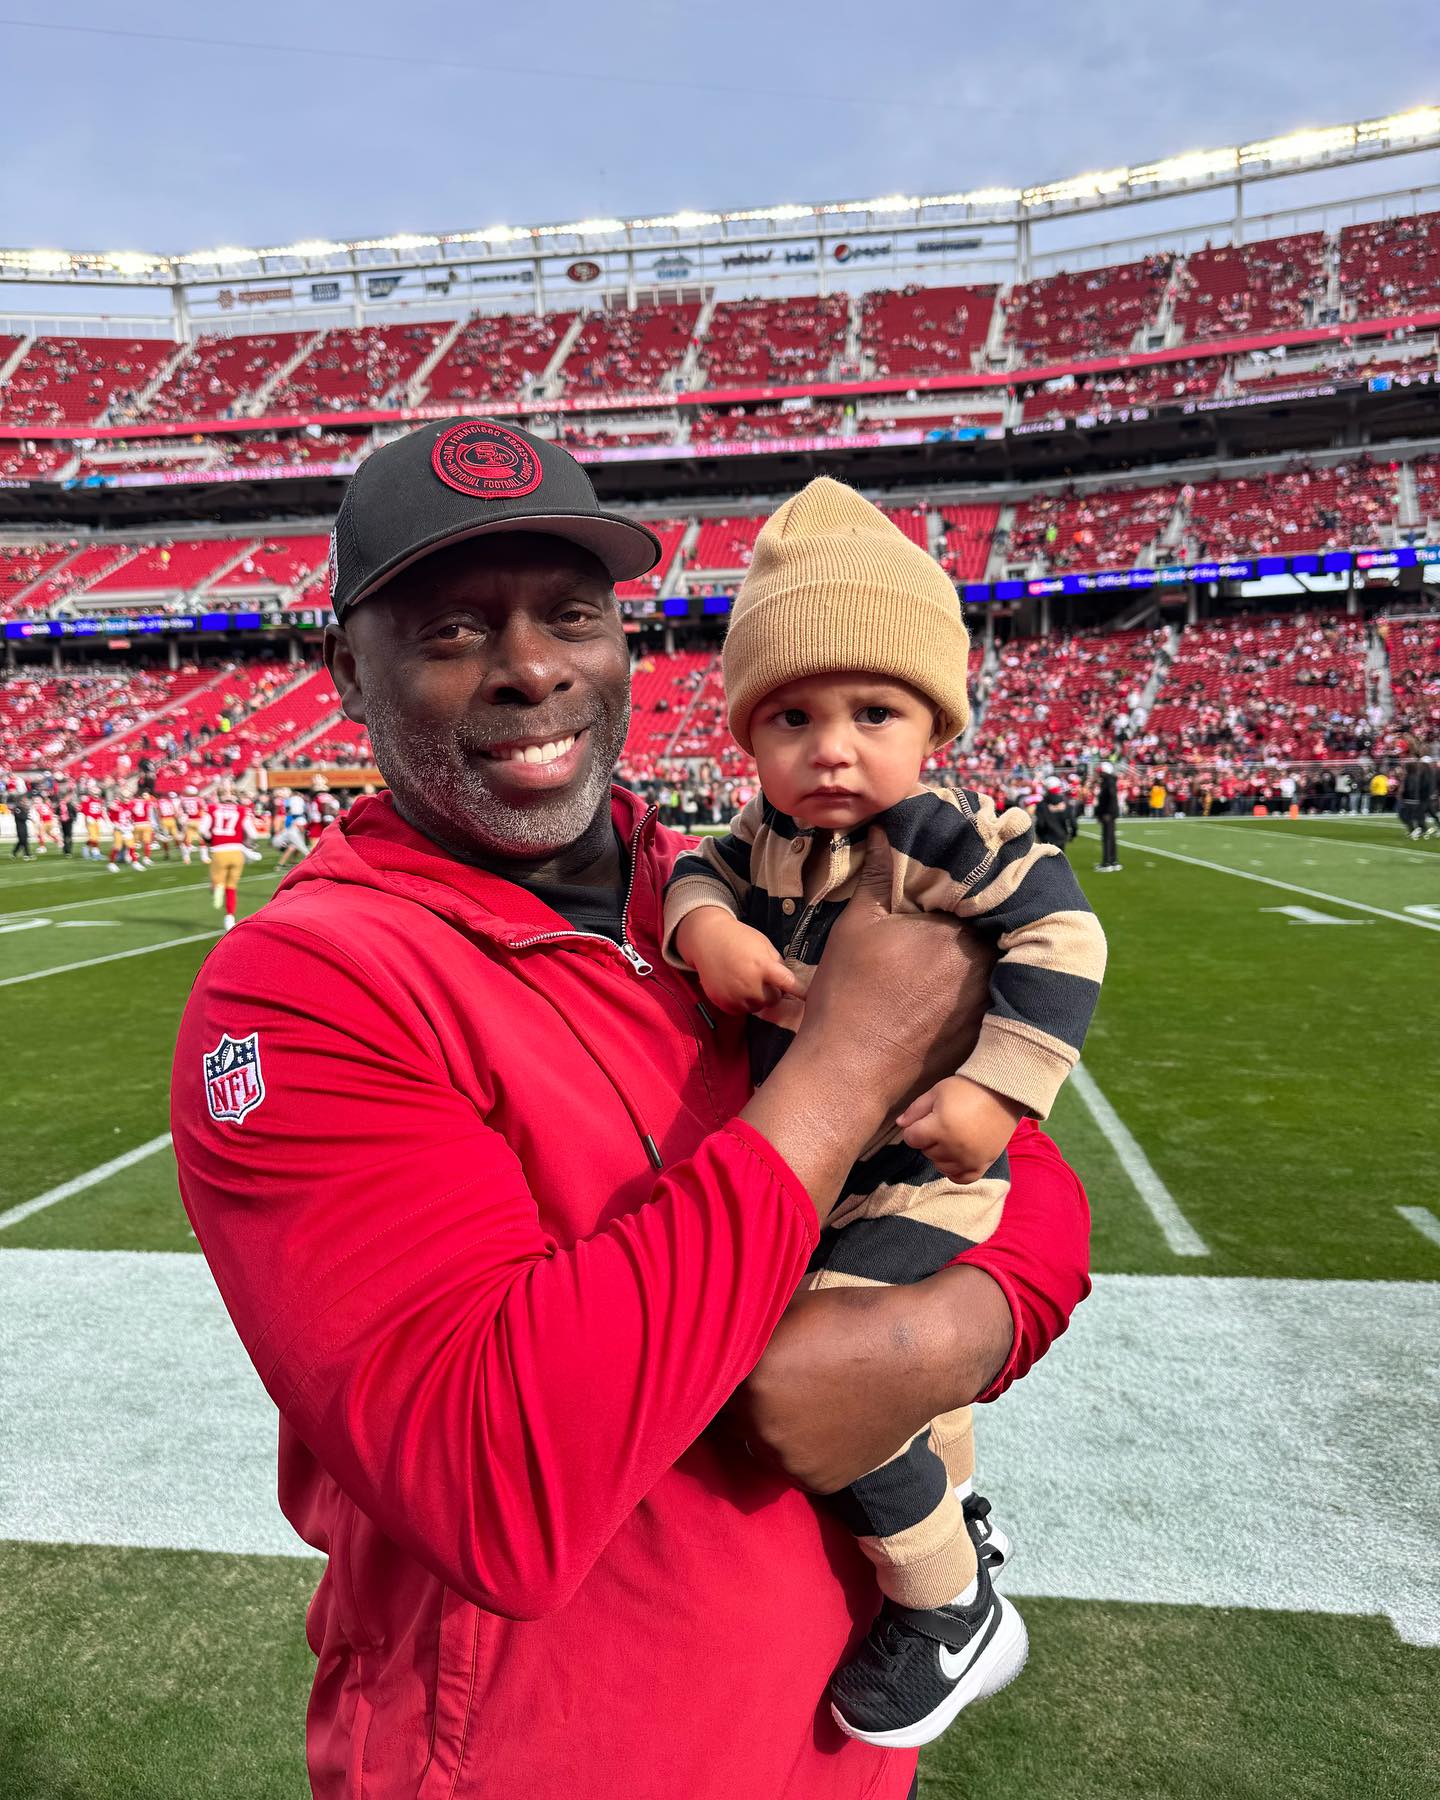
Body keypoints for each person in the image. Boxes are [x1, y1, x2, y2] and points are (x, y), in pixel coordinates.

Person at [171, 420, 1092, 1800]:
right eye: (452, 628)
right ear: (346, 672)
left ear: (625, 649)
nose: (531, 666)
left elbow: (1016, 1165)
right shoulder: (302, 989)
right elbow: (497, 1486)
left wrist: (961, 1323)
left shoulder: (735, 883)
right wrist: (846, 1071)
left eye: (573, 615)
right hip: (548, 1761)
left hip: (838, 1743)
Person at [662, 478, 1105, 1747]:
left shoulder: (940, 835)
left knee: (828, 1376)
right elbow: (695, 870)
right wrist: (704, 931)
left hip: (918, 1168)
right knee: (868, 1364)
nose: (830, 748)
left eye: (874, 713)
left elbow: (1064, 939)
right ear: (748, 736)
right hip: (829, 1167)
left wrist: (995, 1090)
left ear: (934, 725)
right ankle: (958, 1519)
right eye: (791, 717)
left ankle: (946, 1597)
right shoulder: (762, 835)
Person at [201, 777, 252, 930]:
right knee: (231, 887)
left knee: (216, 885)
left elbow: (203, 830)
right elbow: (252, 833)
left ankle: (217, 893)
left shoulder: (212, 808)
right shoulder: (242, 810)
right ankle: (229, 917)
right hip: (237, 852)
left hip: (219, 852)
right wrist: (245, 843)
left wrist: (210, 840)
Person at [1094, 760, 1121, 871]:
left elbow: (1110, 798)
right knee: (1111, 837)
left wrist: (1107, 812)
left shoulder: (1108, 781)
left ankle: (1107, 863)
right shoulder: (1110, 781)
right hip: (1109, 813)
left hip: (1108, 814)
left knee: (1107, 838)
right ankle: (1113, 861)